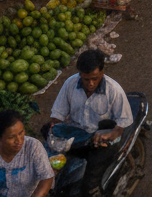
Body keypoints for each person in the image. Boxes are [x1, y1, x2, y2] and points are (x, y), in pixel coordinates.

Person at [47, 49, 133, 193]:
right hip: (76, 139)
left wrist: (108, 135)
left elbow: (121, 126)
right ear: (80, 73)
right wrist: (55, 128)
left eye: (95, 78)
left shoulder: (114, 90)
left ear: (102, 71)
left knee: (88, 186)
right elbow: (57, 115)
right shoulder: (70, 84)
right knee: (57, 177)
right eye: (86, 79)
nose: (91, 83)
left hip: (101, 143)